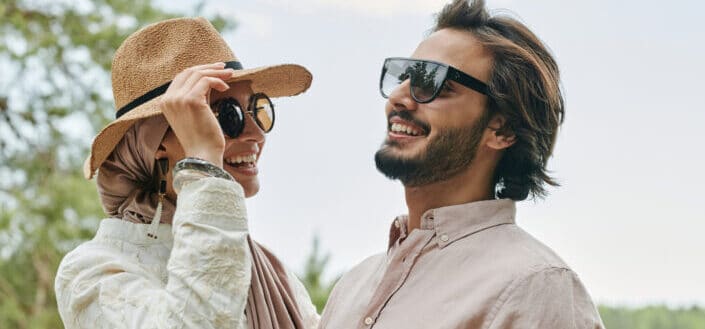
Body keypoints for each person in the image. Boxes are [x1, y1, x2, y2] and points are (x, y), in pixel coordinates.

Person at [319, 0, 605, 328]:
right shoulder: (352, 287)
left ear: (502, 129)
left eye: (433, 82)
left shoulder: (535, 287)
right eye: (405, 76)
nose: (398, 97)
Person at [55, 17, 319, 329]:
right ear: (155, 145)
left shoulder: (273, 273)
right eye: (226, 116)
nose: (256, 135)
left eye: (258, 109)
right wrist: (204, 162)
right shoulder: (90, 272)